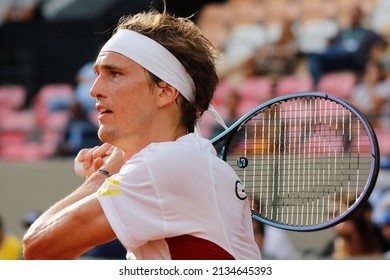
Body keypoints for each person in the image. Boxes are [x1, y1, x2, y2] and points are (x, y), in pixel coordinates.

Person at [22, 6, 261, 260]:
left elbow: (39, 247)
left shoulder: (167, 165)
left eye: (115, 74)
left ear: (165, 92)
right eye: (97, 74)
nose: (94, 90)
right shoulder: (185, 160)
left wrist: (104, 175)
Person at [308, 5, 388, 86]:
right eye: (352, 14)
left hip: (356, 59)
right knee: (314, 56)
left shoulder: (368, 33)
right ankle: (315, 86)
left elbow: (384, 41)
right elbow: (333, 45)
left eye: (356, 15)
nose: (354, 17)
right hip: (340, 58)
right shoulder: (343, 32)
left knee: (343, 50)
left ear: (360, 16)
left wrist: (374, 53)